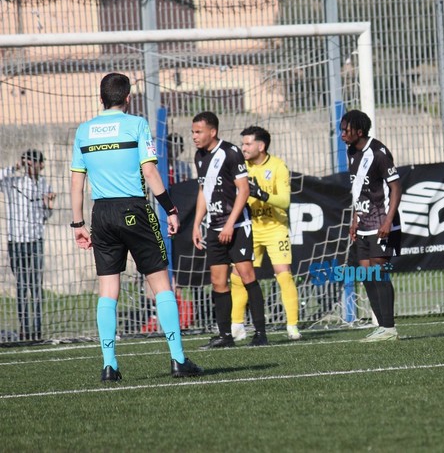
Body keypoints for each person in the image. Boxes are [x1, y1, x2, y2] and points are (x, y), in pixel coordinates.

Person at [70, 72, 202, 381]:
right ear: (127, 98)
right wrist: (170, 208)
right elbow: (151, 172)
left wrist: (78, 223)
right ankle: (178, 359)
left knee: (108, 290)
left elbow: (77, 182)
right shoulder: (137, 125)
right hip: (134, 209)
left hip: (100, 213)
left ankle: (109, 365)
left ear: (100, 98)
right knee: (161, 284)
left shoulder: (84, 131)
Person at [191, 111, 269, 347]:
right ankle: (225, 336)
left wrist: (229, 224)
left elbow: (243, 190)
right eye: (193, 132)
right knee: (218, 281)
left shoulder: (230, 152)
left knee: (247, 276)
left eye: (198, 132)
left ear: (212, 132)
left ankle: (260, 334)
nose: (194, 136)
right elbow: (203, 192)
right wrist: (196, 224)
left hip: (237, 226)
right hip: (214, 228)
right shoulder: (199, 156)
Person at [230, 126, 301, 341]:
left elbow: (285, 201)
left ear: (261, 146)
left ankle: (292, 326)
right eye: (242, 144)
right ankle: (237, 325)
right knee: (238, 275)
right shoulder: (241, 166)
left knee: (284, 274)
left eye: (248, 144)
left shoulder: (278, 166)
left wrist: (261, 193)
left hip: (274, 227)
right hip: (249, 228)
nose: (243, 148)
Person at [341, 109, 402, 342]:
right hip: (364, 222)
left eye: (346, 130)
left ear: (359, 131)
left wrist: (388, 220)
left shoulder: (379, 152)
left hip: (382, 223)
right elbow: (360, 190)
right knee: (366, 274)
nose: (342, 134)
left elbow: (396, 187)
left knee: (379, 272)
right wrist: (355, 218)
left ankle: (389, 327)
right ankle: (381, 327)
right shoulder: (351, 152)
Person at [0, 149, 55, 341]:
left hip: (36, 241)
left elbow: (46, 216)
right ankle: (24, 328)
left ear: (41, 164)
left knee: (36, 286)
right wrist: (14, 167)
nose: (31, 166)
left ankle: (37, 329)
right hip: (16, 242)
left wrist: (49, 205)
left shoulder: (44, 184)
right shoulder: (12, 182)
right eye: (27, 162)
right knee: (22, 286)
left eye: (34, 162)